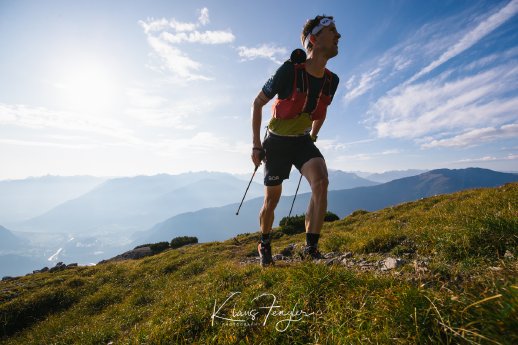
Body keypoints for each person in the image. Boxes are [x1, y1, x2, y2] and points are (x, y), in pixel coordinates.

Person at [251, 15, 341, 267]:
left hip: (301, 141)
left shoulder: (332, 81)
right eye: (332, 30)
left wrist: (313, 136)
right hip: (276, 142)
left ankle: (311, 248)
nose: (338, 36)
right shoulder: (289, 71)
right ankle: (264, 243)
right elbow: (257, 103)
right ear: (313, 39)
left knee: (321, 181)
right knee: (272, 200)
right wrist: (256, 145)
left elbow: (321, 112)